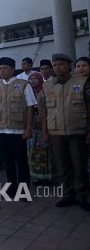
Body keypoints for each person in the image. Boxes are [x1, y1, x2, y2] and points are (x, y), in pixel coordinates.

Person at [40, 53, 90, 211]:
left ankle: (82, 196)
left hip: (77, 131)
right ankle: (68, 195)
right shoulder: (47, 85)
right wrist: (44, 131)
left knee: (79, 165)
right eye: (55, 65)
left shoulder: (82, 83)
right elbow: (44, 111)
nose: (57, 68)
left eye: (61, 64)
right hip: (56, 131)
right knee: (63, 166)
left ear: (69, 66)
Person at [0, 57, 36, 198]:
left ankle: (23, 191)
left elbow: (30, 106)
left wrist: (28, 128)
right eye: (0, 68)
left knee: (21, 161)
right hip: (2, 130)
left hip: (18, 130)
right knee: (8, 161)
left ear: (12, 69)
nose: (2, 71)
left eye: (5, 68)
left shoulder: (23, 84)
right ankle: (11, 188)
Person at [27, 72, 57, 184]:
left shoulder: (45, 91)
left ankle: (48, 178)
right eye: (31, 78)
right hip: (32, 127)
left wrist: (45, 130)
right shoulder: (28, 91)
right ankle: (37, 177)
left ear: (40, 79)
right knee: (33, 153)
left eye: (35, 78)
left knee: (46, 152)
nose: (33, 80)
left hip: (44, 126)